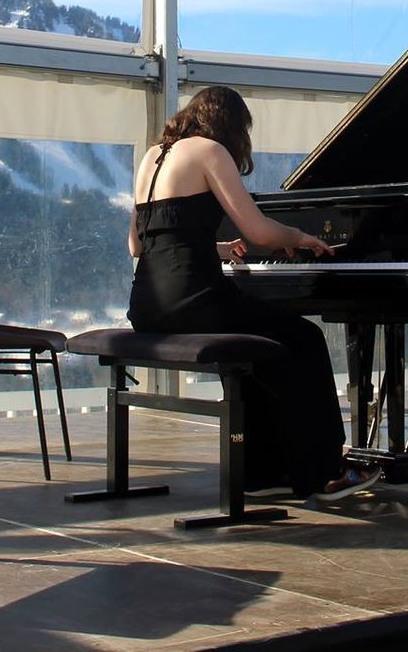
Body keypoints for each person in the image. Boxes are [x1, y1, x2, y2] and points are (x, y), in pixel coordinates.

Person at [127, 85, 380, 502]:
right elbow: (260, 231)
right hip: (196, 301)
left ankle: (262, 472)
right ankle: (325, 472)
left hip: (149, 306)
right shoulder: (209, 150)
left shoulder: (152, 158)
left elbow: (138, 245)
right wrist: (299, 236)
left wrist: (215, 248)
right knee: (304, 339)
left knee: (261, 354)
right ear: (231, 124)